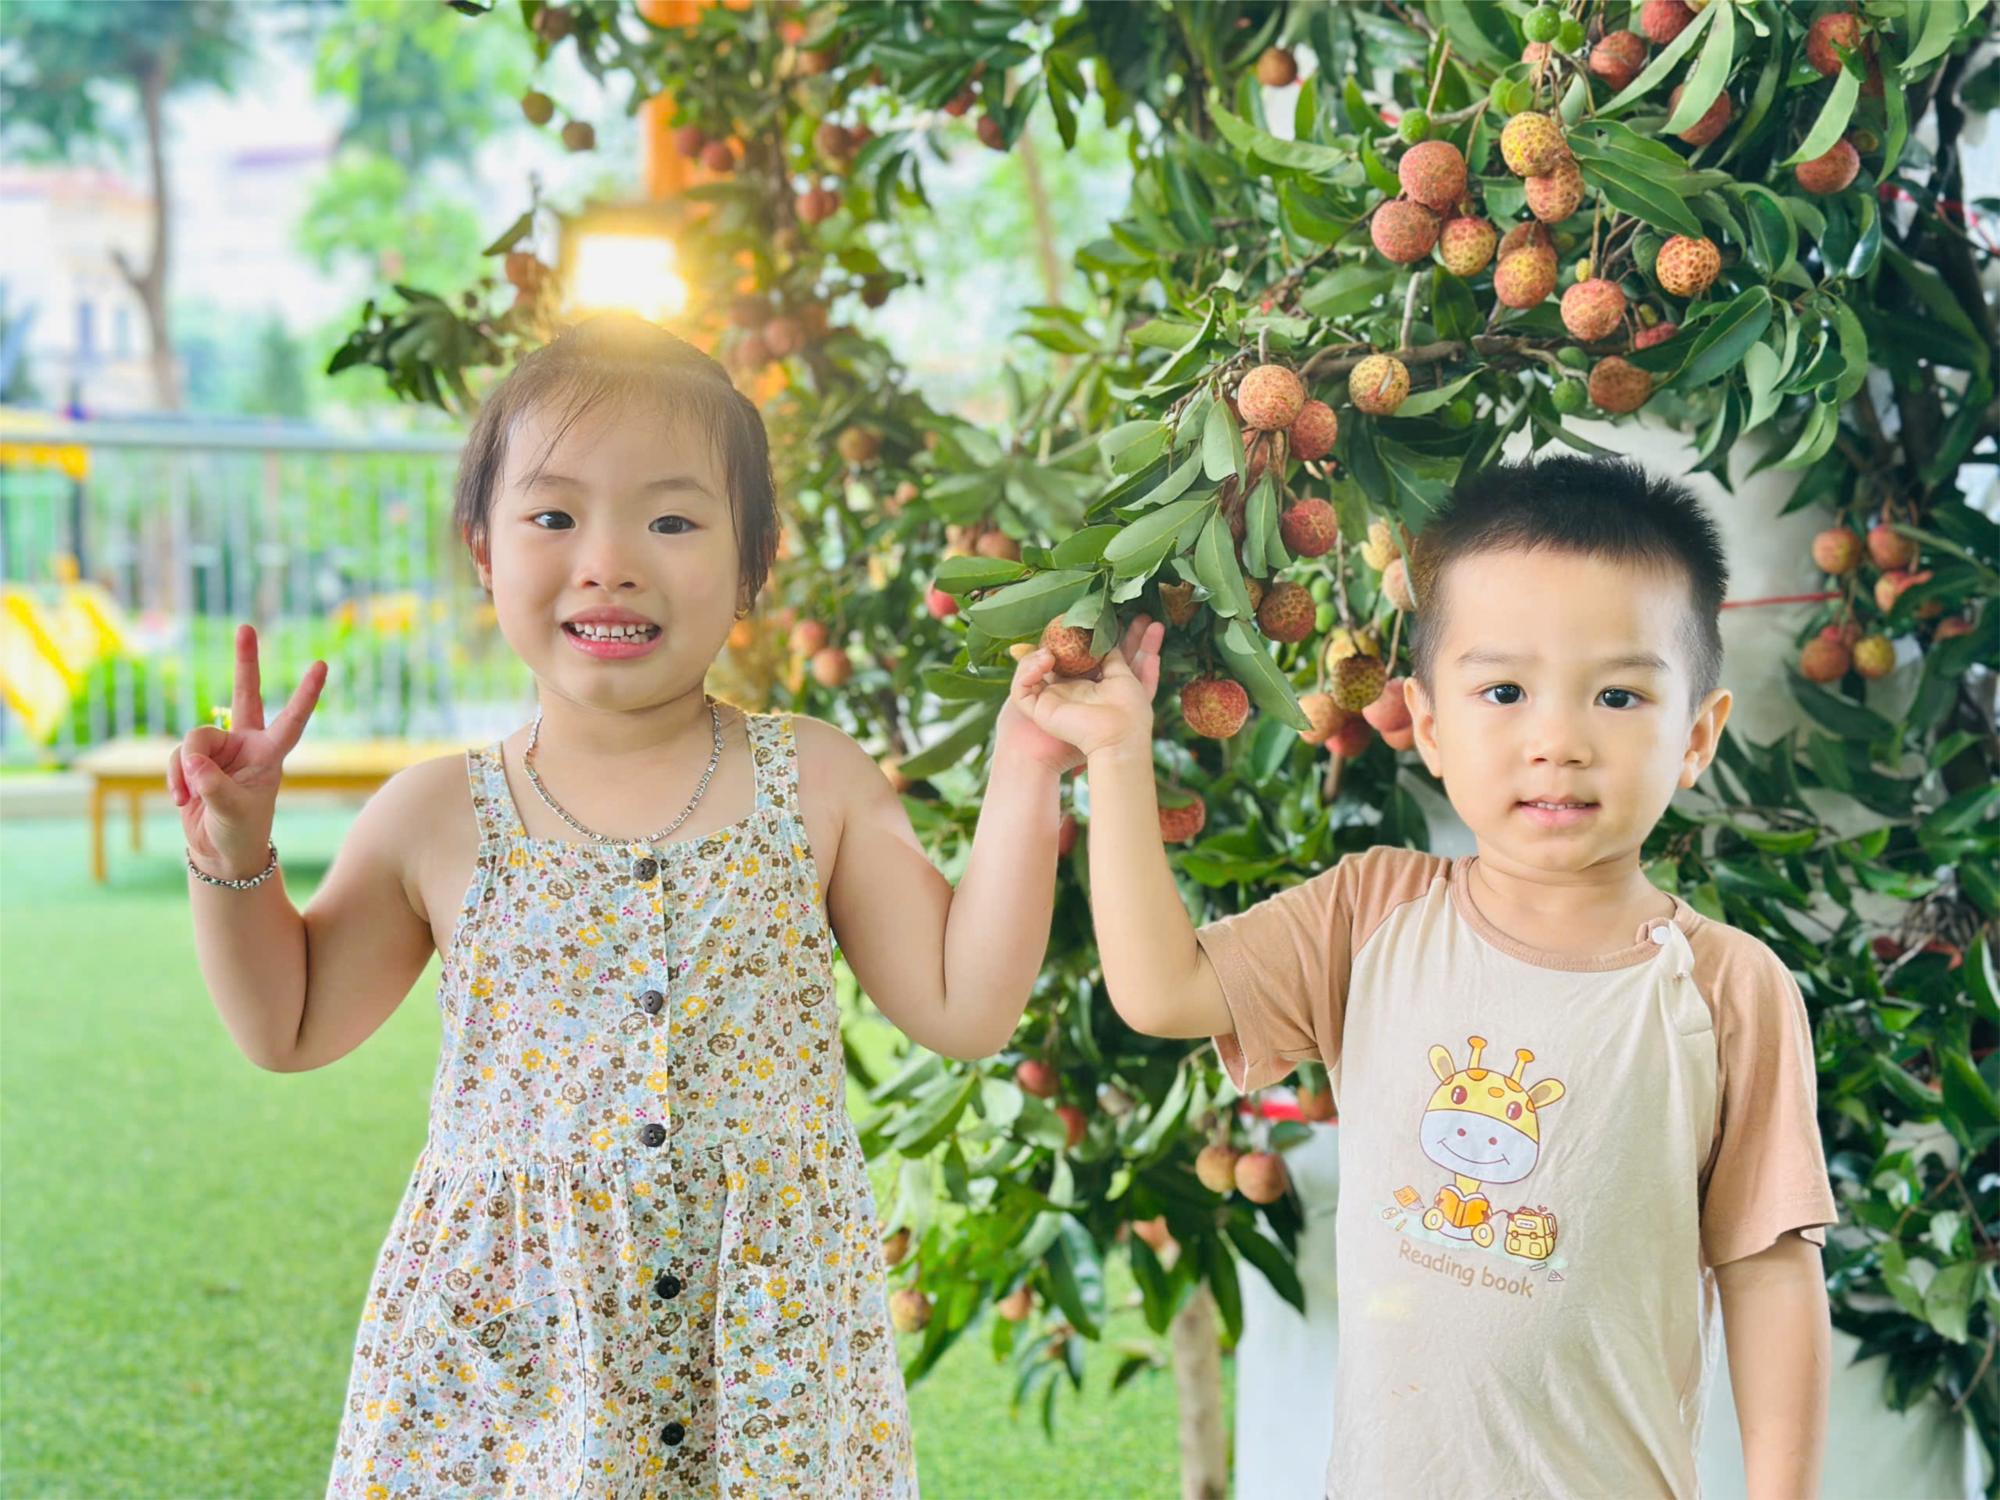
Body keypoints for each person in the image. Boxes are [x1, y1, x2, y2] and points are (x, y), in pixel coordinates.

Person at [166, 315, 1161, 1498]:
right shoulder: (433, 816)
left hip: (764, 1364)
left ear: (752, 565)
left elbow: (963, 1006)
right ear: (482, 550)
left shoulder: (814, 779)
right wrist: (234, 853)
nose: (609, 561)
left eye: (672, 521)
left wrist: (1026, 766)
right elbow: (287, 1026)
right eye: (553, 517)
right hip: (511, 1371)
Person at [1012, 453, 1837, 1499]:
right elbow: (1159, 989)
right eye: (1505, 690)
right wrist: (1118, 758)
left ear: (1697, 736)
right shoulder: (1373, 915)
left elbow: (1768, 1272)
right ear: (1431, 726)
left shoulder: (1723, 988)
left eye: (1619, 694)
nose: (1557, 740)